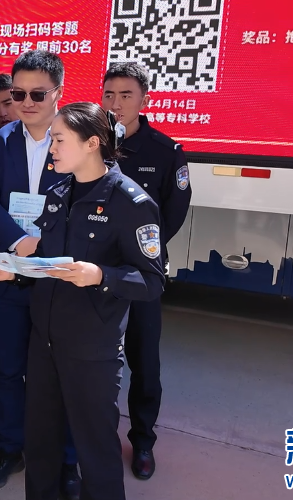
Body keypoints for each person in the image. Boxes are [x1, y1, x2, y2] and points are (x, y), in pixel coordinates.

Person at [0, 102, 166, 500]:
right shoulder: (58, 193)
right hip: (44, 342)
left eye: (59, 140)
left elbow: (151, 281)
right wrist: (13, 272)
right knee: (41, 444)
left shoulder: (131, 203)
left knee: (96, 452)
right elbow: (49, 262)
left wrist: (101, 275)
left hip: (92, 350)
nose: (51, 149)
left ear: (92, 143)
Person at [0, 50, 79, 498]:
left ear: (59, 93)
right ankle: (8, 447)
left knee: (61, 372)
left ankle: (67, 458)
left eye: (38, 94)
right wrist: (18, 242)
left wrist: (46, 249)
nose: (26, 103)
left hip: (58, 278)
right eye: (18, 94)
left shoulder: (78, 139)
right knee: (5, 366)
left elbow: (88, 205)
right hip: (8, 271)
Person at [102, 62, 192, 480]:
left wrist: (141, 252)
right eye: (109, 95)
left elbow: (173, 213)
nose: (116, 104)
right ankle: (94, 435)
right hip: (95, 272)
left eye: (126, 95)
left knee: (144, 361)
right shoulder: (91, 142)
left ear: (145, 100)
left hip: (141, 275)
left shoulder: (165, 151)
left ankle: (142, 441)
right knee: (94, 359)